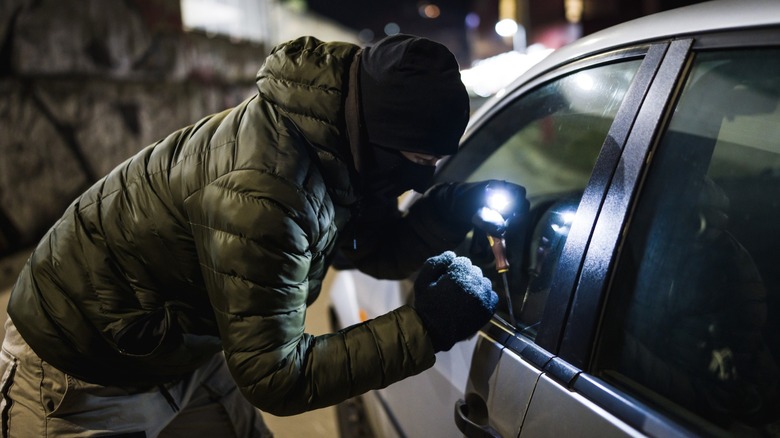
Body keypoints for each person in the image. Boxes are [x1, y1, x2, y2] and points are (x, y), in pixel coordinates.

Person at [0, 34, 527, 436]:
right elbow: (276, 377)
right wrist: (427, 328)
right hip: (77, 370)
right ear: (382, 136)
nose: (423, 175)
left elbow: (365, 249)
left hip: (181, 343)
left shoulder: (345, 142)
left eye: (436, 163)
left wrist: (450, 211)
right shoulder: (268, 190)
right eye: (419, 160)